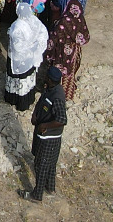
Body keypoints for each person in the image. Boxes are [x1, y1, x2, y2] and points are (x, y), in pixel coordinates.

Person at [26, 66, 67, 202]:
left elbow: (62, 119)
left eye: (46, 76)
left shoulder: (57, 97)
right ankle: (50, 187)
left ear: (49, 79)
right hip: (43, 133)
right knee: (50, 163)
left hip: (49, 137)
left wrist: (45, 126)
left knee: (41, 165)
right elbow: (42, 102)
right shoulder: (50, 88)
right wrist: (35, 114)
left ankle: (37, 195)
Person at [5, 0, 49, 111]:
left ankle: (15, 100)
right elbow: (43, 33)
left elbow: (17, 47)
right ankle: (26, 100)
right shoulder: (34, 20)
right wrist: (34, 48)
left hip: (18, 58)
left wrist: (27, 48)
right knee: (27, 79)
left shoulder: (17, 25)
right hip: (30, 57)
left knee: (17, 79)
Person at [44, 0, 91, 100]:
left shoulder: (63, 22)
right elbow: (85, 38)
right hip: (72, 52)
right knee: (69, 71)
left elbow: (54, 38)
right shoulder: (80, 20)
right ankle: (67, 94)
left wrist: (48, 53)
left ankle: (54, 94)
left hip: (60, 52)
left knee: (57, 71)